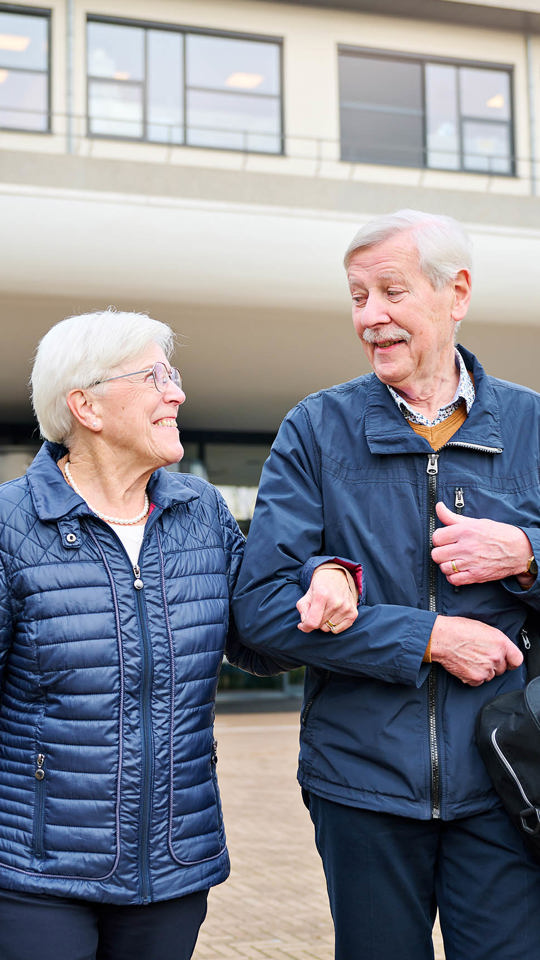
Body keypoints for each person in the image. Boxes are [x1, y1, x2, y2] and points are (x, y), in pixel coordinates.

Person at [0, 308, 356, 960]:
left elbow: (259, 637)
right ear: (87, 406)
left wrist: (322, 573)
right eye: (155, 377)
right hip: (35, 871)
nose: (177, 393)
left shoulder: (201, 510)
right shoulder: (10, 525)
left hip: (172, 861)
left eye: (175, 374)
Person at [233, 210, 540, 960]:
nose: (371, 318)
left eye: (391, 293)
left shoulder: (532, 426)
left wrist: (529, 556)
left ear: (455, 292)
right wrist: (429, 638)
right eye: (358, 296)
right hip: (360, 784)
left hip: (508, 780)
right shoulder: (315, 430)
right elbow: (260, 616)